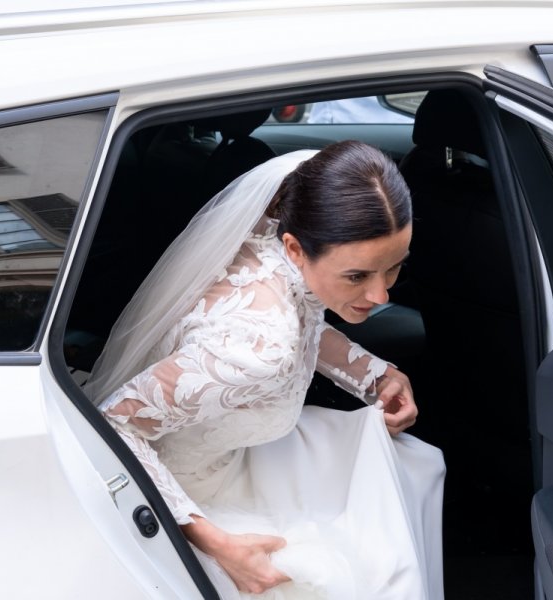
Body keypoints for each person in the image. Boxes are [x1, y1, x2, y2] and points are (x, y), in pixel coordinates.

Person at [83, 140, 445, 600]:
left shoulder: (277, 235)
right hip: (189, 493)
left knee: (411, 467)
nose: (381, 296)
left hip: (239, 450)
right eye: (357, 277)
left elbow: (305, 320)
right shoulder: (255, 350)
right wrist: (218, 543)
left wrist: (376, 376)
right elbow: (112, 425)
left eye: (394, 268)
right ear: (295, 249)